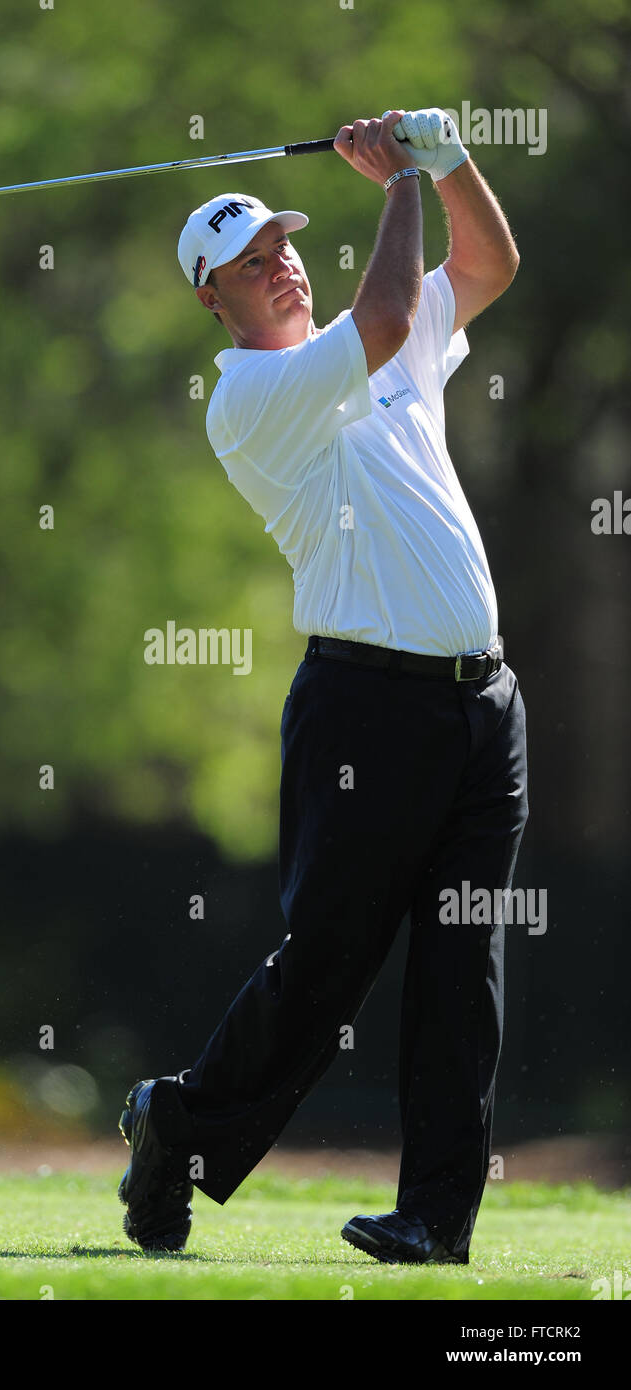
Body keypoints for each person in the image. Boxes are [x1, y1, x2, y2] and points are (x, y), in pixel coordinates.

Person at [117, 108, 528, 1265]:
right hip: (367, 709)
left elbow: (485, 266)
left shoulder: (372, 343)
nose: (281, 261)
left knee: (466, 967)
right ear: (215, 297)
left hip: (484, 706)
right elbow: (392, 311)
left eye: (284, 242)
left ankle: (435, 1221)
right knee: (329, 968)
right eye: (251, 261)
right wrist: (394, 186)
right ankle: (180, 1125)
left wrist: (446, 165)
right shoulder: (252, 398)